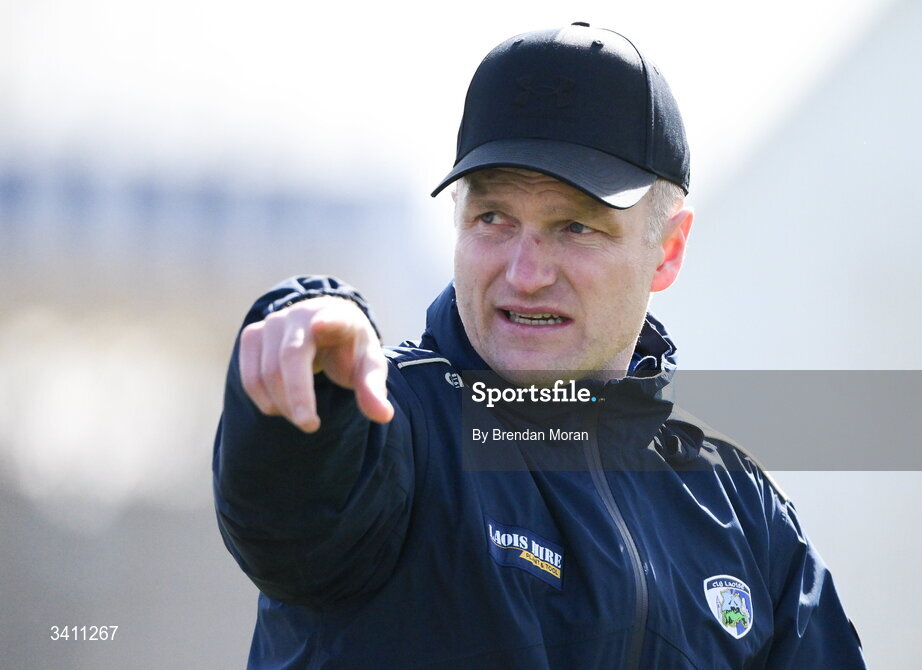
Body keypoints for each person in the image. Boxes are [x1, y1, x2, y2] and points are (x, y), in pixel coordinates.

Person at [213, 22, 867, 669]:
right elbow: (291, 510)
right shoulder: (393, 428)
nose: (525, 274)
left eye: (576, 227)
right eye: (493, 218)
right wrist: (314, 375)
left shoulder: (743, 519)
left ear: (666, 250)